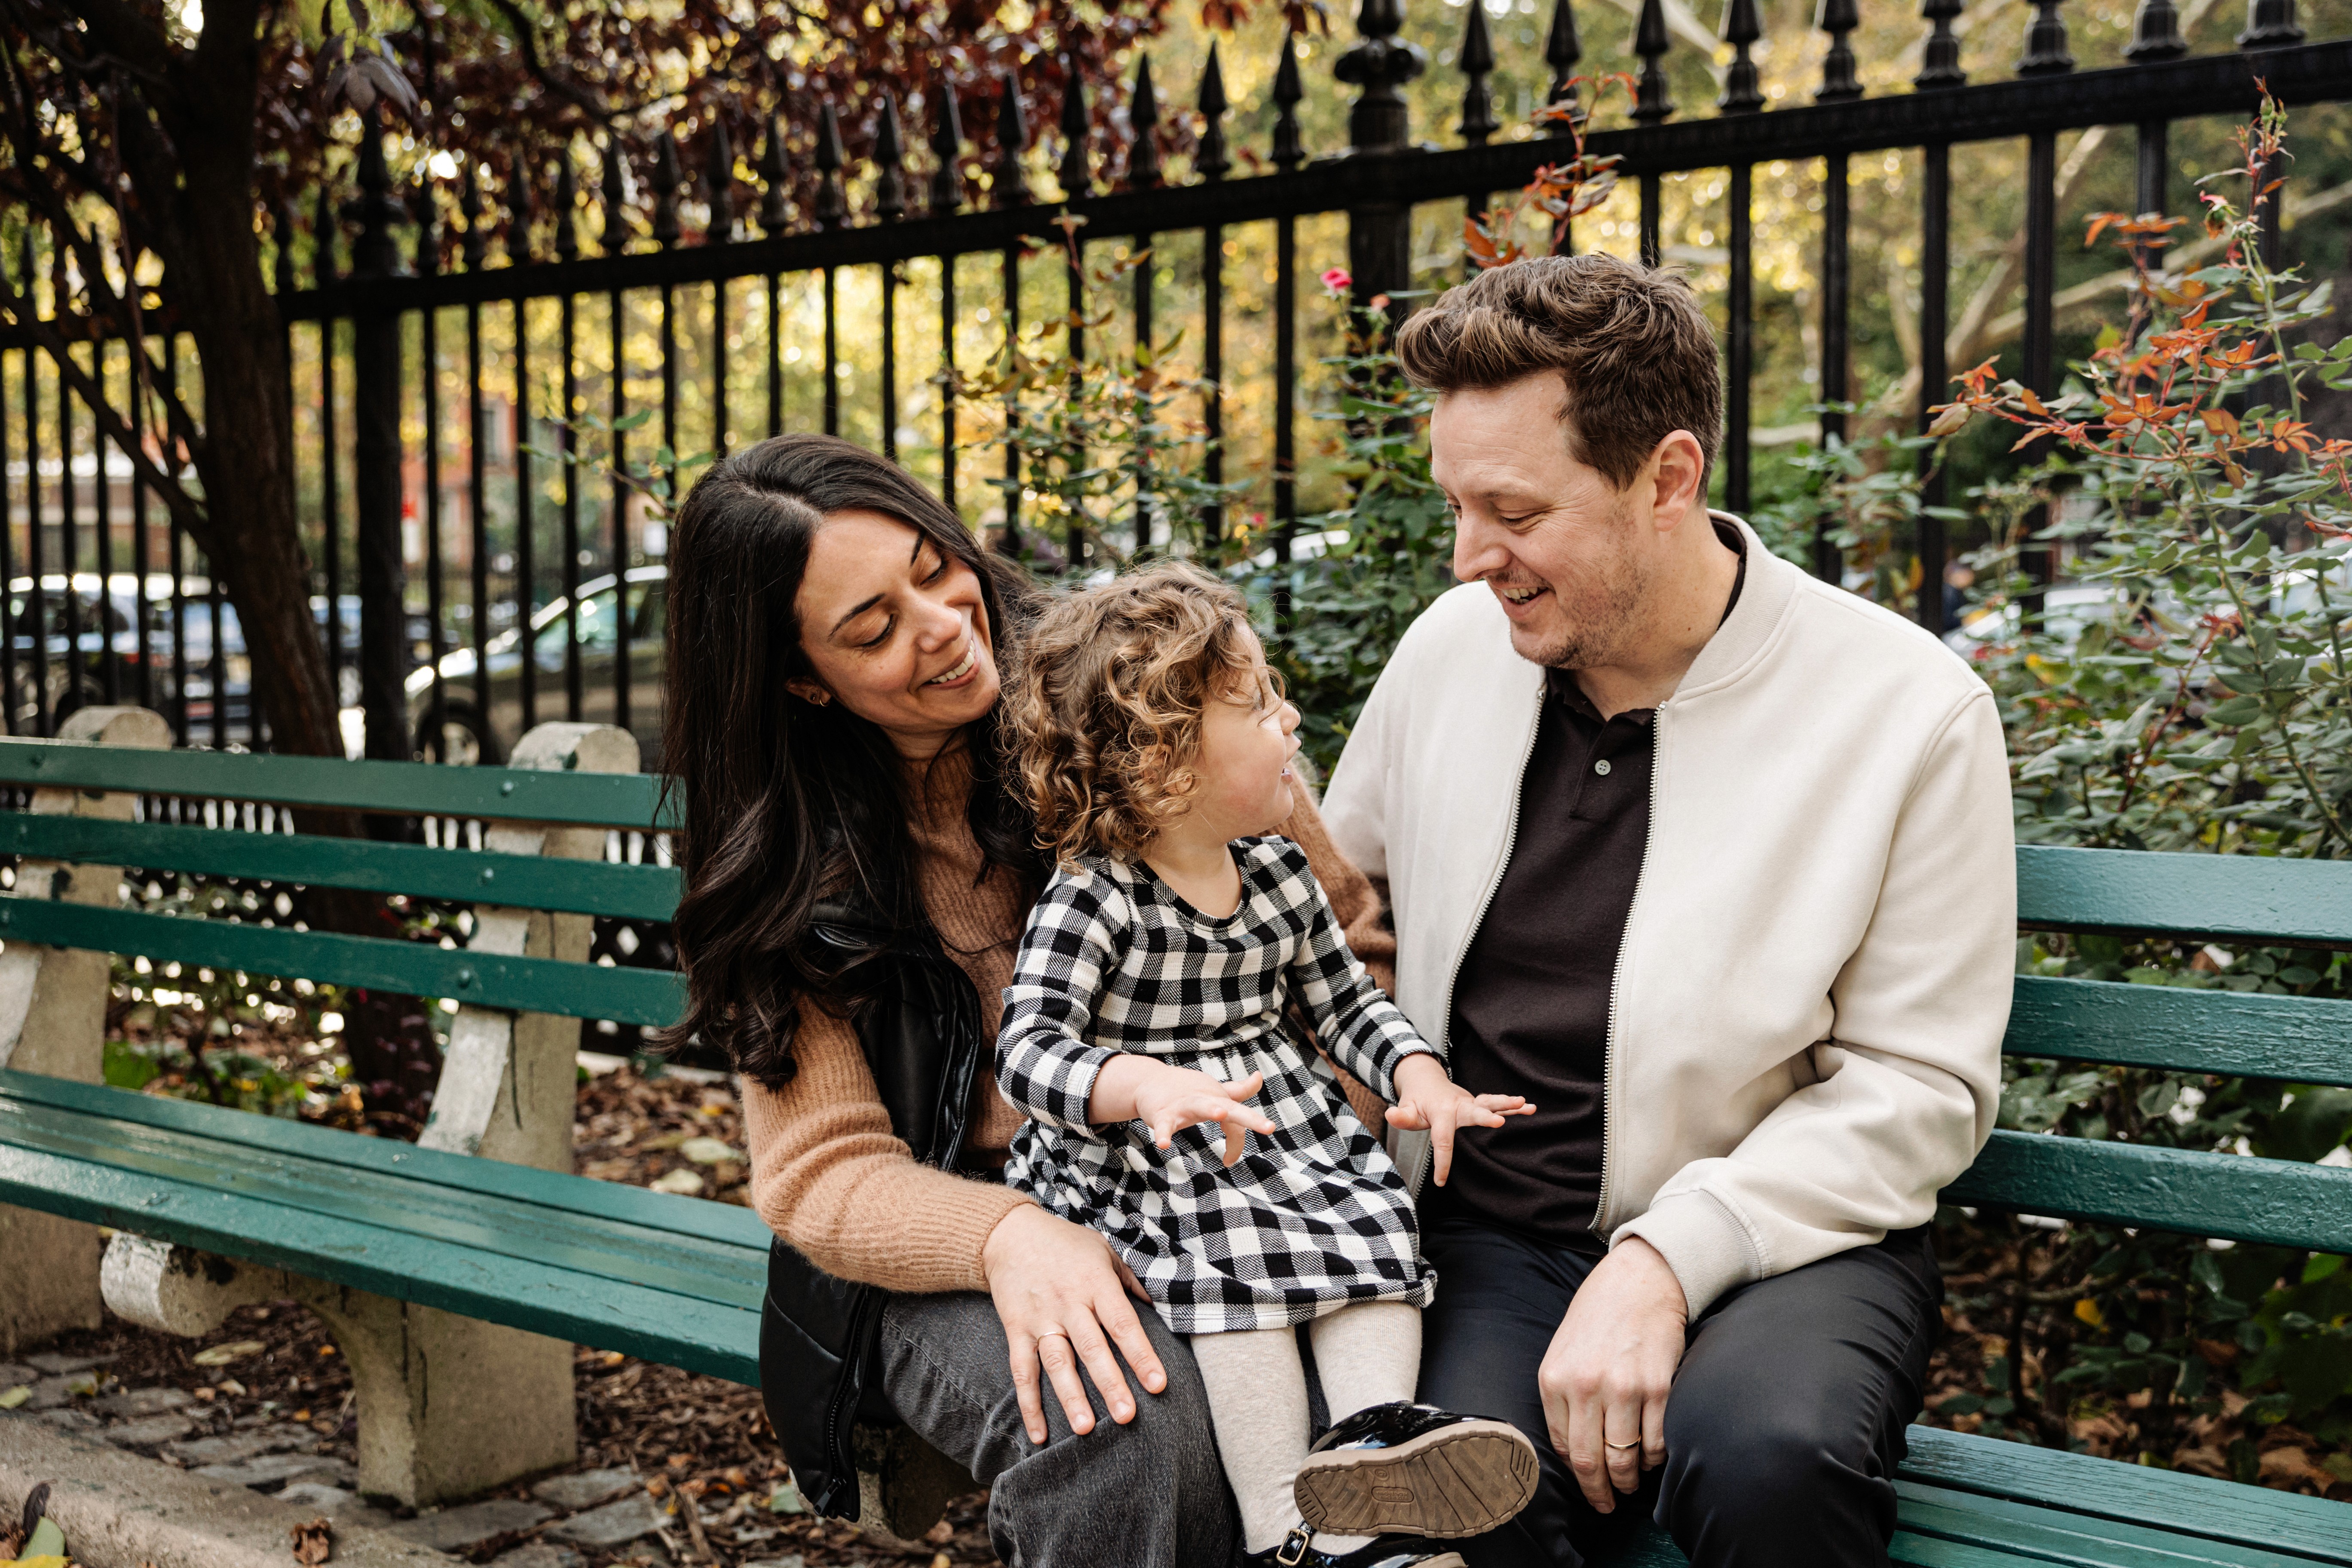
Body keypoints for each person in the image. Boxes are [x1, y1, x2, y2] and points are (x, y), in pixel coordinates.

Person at [1320, 254, 2015, 1568]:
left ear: (1669, 477)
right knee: (1461, 1483)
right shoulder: (1449, 652)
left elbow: (1920, 1085)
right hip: (1496, 1235)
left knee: (1770, 1465)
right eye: (1455, 507)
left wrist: (1664, 1259)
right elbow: (1338, 924)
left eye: (1514, 511)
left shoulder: (1905, 710)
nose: (1472, 560)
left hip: (1786, 1236)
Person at [660, 433, 1389, 1568]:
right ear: (804, 679)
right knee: (1130, 1431)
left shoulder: (1122, 703)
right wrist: (1008, 1233)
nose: (943, 624)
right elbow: (821, 1173)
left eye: (933, 566)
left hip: (1226, 1174)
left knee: (1344, 1386)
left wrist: (1328, 1156)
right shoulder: (800, 870)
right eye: (873, 628)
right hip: (951, 1235)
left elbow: (1342, 947)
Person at [994, 563, 1540, 1568]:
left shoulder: (1281, 870)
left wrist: (1421, 1078)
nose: (1289, 721)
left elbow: (1345, 1006)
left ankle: (1383, 1466)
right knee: (1240, 1290)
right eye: (1257, 706)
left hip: (1278, 1131)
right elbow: (1027, 1053)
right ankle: (1289, 1529)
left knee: (1373, 1240)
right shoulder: (1095, 898)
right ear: (1167, 764)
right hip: (1151, 1158)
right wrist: (1144, 1086)